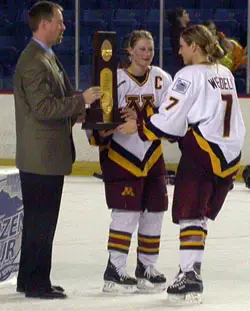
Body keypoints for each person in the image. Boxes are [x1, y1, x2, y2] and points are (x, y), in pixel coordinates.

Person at [117, 25, 245, 302]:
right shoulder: (224, 73)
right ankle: (192, 270)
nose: (179, 51)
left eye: (183, 45)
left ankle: (189, 276)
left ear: (195, 47)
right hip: (228, 154)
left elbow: (171, 120)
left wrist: (139, 126)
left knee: (190, 214)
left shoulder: (188, 75)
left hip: (201, 151)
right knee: (199, 217)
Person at [14, 1, 101, 299]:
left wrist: (73, 111)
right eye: (60, 22)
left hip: (45, 156)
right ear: (44, 24)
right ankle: (37, 283)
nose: (64, 27)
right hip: (42, 158)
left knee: (38, 222)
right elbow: (41, 107)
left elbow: (52, 102)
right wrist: (81, 101)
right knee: (42, 223)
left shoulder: (45, 56)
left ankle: (29, 278)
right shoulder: (35, 61)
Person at [86, 30, 172, 293]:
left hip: (152, 155)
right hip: (121, 158)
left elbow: (172, 116)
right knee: (126, 213)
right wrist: (103, 130)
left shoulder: (162, 78)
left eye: (151, 49)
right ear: (129, 51)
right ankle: (115, 269)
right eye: (142, 49)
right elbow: (96, 124)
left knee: (155, 212)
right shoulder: (114, 80)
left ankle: (146, 266)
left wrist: (142, 122)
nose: (147, 54)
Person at [167, 7, 191, 71]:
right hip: (181, 62)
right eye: (185, 13)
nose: (188, 15)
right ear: (179, 17)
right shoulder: (176, 32)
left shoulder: (191, 29)